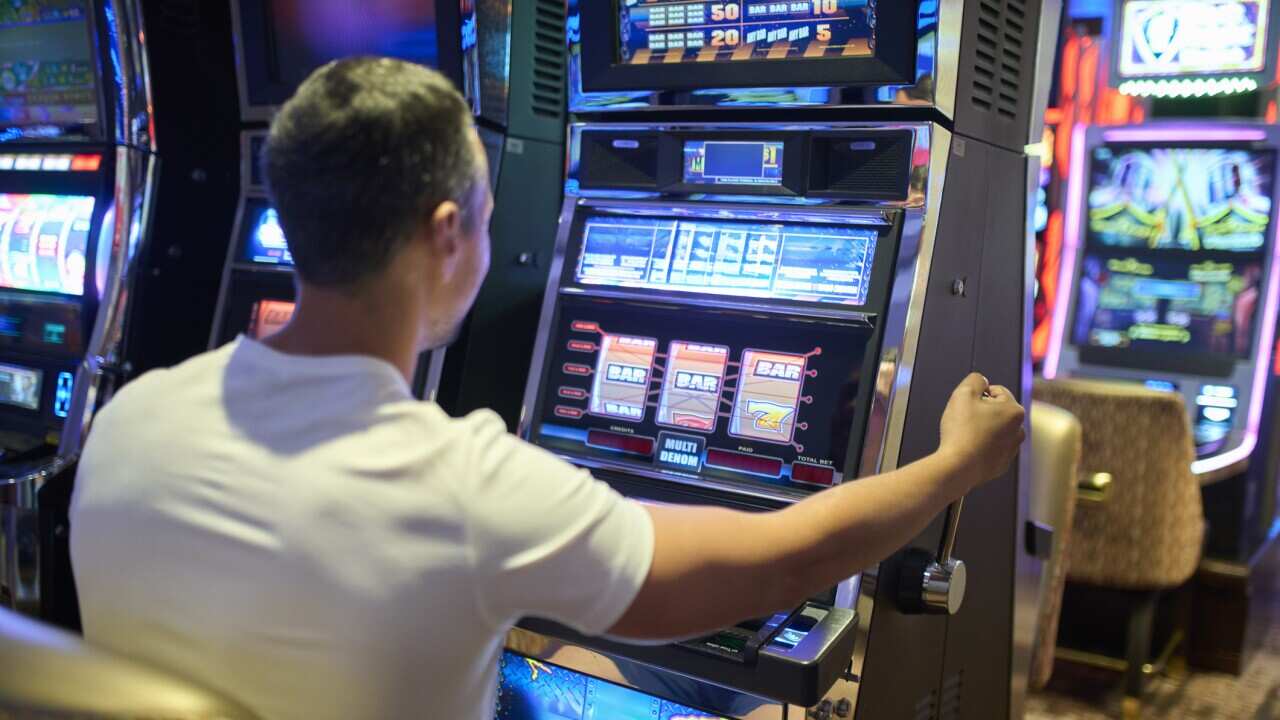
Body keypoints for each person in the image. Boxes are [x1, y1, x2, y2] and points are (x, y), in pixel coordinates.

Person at [69, 58, 1025, 720]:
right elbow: (777, 562)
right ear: (449, 233)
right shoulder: (458, 488)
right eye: (486, 217)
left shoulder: (132, 416)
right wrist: (954, 465)